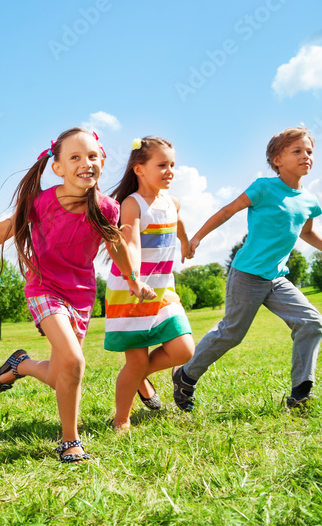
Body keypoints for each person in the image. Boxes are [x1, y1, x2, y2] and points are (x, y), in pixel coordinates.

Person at [0, 128, 155, 463]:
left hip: (80, 296)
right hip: (44, 289)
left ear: (103, 162)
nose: (85, 163)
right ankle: (69, 441)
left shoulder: (107, 208)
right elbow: (3, 229)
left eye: (92, 156)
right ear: (58, 167)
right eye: (75, 157)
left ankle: (21, 365)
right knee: (75, 362)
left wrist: (133, 280)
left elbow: (116, 245)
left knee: (59, 373)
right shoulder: (43, 202)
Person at [175, 127, 322, 411]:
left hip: (277, 277)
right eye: (297, 151)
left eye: (309, 151)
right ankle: (186, 375)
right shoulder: (263, 188)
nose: (306, 156)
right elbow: (226, 211)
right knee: (231, 332)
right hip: (247, 274)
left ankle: (300, 394)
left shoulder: (309, 201)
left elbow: (307, 233)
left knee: (311, 322)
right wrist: (196, 237)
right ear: (277, 159)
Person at [105, 137, 194, 431]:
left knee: (183, 349)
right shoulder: (132, 204)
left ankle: (140, 374)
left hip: (163, 289)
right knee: (136, 360)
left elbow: (176, 220)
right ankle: (122, 419)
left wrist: (185, 241)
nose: (169, 171)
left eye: (172, 165)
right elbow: (129, 244)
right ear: (139, 169)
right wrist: (134, 279)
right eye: (162, 165)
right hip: (131, 291)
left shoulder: (172, 201)